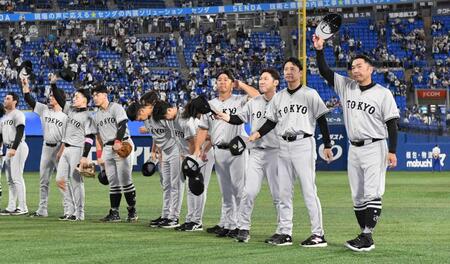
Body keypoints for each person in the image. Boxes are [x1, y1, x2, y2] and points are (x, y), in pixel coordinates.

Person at [314, 34, 400, 252]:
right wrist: (319, 49)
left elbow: (392, 123)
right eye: (352, 67)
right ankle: (364, 235)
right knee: (357, 195)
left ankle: (367, 235)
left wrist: (392, 151)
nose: (355, 70)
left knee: (372, 192)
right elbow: (325, 71)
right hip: (354, 148)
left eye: (359, 66)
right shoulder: (346, 86)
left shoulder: (383, 93)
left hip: (375, 146)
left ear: (370, 69)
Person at [248, 58, 333, 247]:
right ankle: (285, 232)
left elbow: (321, 120)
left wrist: (327, 144)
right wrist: (257, 133)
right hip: (283, 145)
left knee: (309, 190)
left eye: (292, 69)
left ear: (300, 72)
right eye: (286, 69)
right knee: (284, 192)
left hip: (303, 144)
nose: (288, 72)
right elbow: (271, 122)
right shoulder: (279, 97)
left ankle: (318, 234)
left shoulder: (310, 94)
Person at [215, 68, 281, 243]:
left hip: (276, 153)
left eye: (265, 78)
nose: (261, 81)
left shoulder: (282, 101)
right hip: (257, 153)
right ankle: (244, 228)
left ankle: (282, 230)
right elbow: (240, 118)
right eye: (260, 78)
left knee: (278, 195)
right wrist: (226, 117)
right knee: (248, 192)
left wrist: (241, 84)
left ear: (275, 82)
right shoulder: (254, 103)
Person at [194, 70, 259, 238]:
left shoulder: (239, 100)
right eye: (219, 80)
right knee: (226, 191)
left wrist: (241, 84)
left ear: (231, 83)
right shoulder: (210, 104)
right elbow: (203, 129)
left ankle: (241, 225)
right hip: (218, 150)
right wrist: (199, 149)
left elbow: (257, 96)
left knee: (239, 189)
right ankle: (229, 224)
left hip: (235, 150)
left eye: (225, 79)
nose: (222, 82)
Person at [22, 76, 67, 218]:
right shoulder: (44, 109)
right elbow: (29, 100)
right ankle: (42, 210)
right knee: (43, 180)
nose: (50, 98)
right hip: (46, 147)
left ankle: (68, 210)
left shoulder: (66, 115)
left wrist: (62, 151)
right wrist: (25, 85)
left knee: (62, 180)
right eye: (50, 96)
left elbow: (68, 136)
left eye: (53, 96)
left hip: (60, 147)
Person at [91, 84, 138, 222]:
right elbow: (98, 137)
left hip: (122, 143)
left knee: (125, 180)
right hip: (107, 148)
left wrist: (118, 141)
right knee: (113, 181)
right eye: (93, 95)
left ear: (105, 95)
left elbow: (122, 124)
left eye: (97, 95)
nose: (94, 98)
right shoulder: (96, 115)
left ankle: (132, 211)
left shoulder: (116, 107)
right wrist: (99, 155)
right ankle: (114, 212)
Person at [51, 81, 96, 221]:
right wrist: (53, 85)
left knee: (76, 182)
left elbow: (90, 137)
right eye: (74, 96)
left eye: (77, 96)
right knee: (60, 180)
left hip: (78, 149)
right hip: (67, 149)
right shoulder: (70, 109)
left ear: (85, 100)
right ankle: (69, 210)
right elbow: (60, 99)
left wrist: (84, 156)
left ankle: (79, 212)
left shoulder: (88, 116)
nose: (74, 98)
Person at [0, 92, 29, 215]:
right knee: (10, 180)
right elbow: (1, 136)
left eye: (8, 98)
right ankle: (11, 206)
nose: (5, 100)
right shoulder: (4, 118)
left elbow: (20, 131)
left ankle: (23, 207)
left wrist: (14, 148)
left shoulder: (18, 114)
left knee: (17, 177)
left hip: (18, 147)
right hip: (8, 148)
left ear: (15, 101)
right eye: (5, 98)